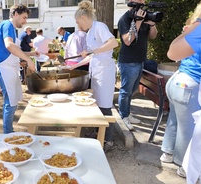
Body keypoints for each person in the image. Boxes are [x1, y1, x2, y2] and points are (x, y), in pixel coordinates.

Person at [67, 1, 118, 152]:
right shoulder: (89, 32)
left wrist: (93, 52)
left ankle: (108, 140)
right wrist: (73, 66)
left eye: (78, 22)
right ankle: (98, 133)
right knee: (97, 105)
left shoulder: (100, 26)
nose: (78, 25)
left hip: (105, 72)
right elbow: (90, 56)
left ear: (83, 18)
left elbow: (113, 43)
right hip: (96, 71)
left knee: (105, 106)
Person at [160, 3, 201, 178]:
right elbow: (172, 54)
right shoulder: (199, 31)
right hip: (189, 85)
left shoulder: (192, 30)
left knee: (175, 120)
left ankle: (168, 153)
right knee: (189, 129)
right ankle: (184, 166)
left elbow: (174, 51)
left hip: (177, 81)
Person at [0, 4, 38, 134]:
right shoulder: (7, 25)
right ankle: (8, 134)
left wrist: (31, 54)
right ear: (15, 14)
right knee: (10, 103)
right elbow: (9, 45)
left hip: (9, 69)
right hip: (3, 69)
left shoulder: (12, 28)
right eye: (24, 17)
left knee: (13, 102)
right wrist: (28, 60)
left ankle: (9, 132)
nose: (25, 21)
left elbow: (14, 51)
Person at [117, 0, 158, 131]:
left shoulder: (145, 17)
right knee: (125, 91)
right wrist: (138, 22)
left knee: (132, 91)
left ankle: (127, 114)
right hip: (128, 62)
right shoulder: (125, 19)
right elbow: (128, 41)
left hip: (140, 61)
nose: (142, 2)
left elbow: (153, 36)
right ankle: (123, 116)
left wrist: (152, 25)